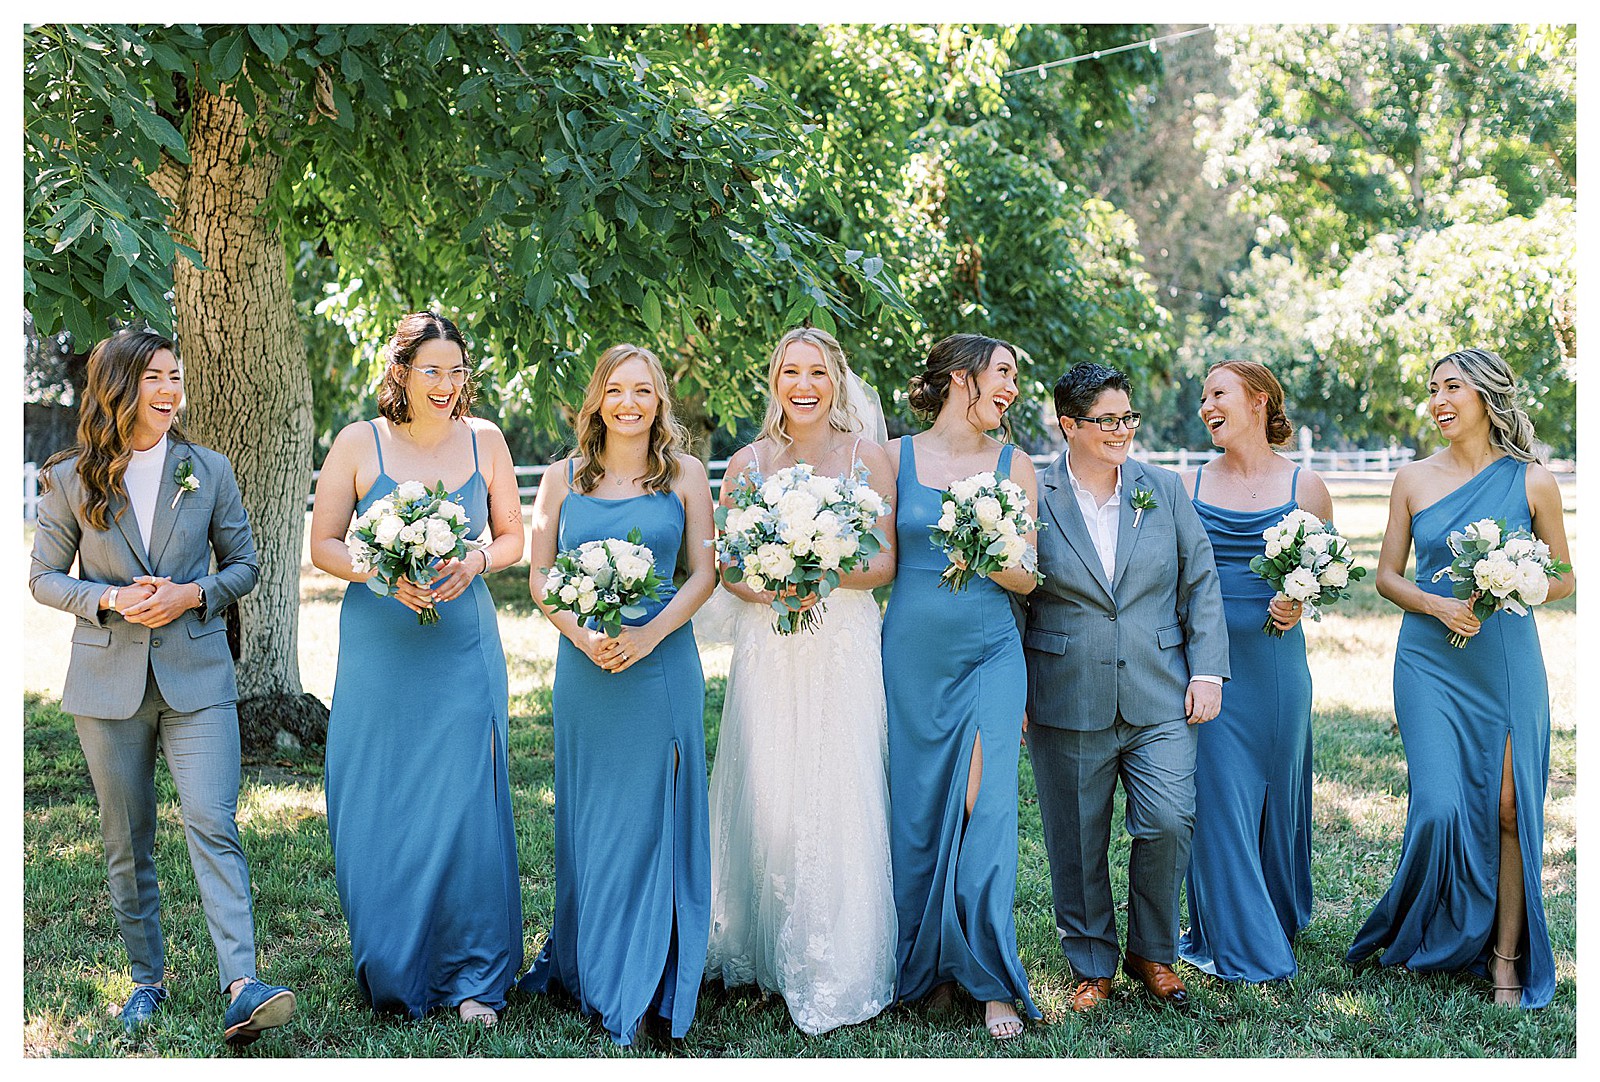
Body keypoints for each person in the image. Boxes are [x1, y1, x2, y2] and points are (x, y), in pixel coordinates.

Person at [28, 329, 296, 1045]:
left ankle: (242, 984)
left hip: (198, 675)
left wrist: (192, 595)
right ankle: (147, 980)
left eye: (176, 377)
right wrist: (109, 600)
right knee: (126, 837)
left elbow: (244, 563)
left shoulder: (207, 468)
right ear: (120, 385)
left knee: (214, 820)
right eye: (156, 377)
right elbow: (43, 578)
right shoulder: (68, 478)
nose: (172, 390)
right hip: (106, 683)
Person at [310, 312, 524, 1026]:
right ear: (400, 373)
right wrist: (378, 571)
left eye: (457, 371)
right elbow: (326, 545)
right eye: (431, 370)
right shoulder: (357, 443)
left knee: (466, 807)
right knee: (382, 796)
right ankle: (398, 963)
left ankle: (473, 978)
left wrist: (477, 559)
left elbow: (512, 536)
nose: (446, 385)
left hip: (462, 645)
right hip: (381, 648)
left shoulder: (486, 441)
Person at [1347, 348, 1573, 1009]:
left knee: (1508, 811)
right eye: (1432, 389)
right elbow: (1387, 576)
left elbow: (1565, 578)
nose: (1438, 399)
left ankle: (1504, 958)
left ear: (1486, 394)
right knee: (1440, 808)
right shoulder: (1413, 478)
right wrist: (1437, 602)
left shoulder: (1533, 481)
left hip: (1504, 661)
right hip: (1428, 659)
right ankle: (1422, 934)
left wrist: (1518, 579)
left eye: (1452, 386)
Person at [521, 343, 718, 1046]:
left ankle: (649, 978)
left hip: (662, 663)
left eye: (643, 390)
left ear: (659, 400)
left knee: (652, 816)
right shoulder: (561, 479)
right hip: (586, 668)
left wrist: (649, 635)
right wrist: (580, 636)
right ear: (597, 400)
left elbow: (703, 573)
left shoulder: (687, 476)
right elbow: (540, 574)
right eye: (616, 390)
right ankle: (592, 962)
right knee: (596, 818)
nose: (629, 403)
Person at [704, 327, 898, 1035]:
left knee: (839, 782)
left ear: (837, 379)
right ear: (775, 381)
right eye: (791, 371)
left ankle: (837, 959)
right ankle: (765, 952)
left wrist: (817, 574)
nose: (804, 384)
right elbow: (728, 567)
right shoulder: (748, 464)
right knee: (772, 784)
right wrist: (774, 587)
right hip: (769, 641)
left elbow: (881, 566)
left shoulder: (866, 458)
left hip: (842, 639)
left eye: (818, 371)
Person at [1023, 362, 1229, 1014]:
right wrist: (1014, 688)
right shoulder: (1031, 491)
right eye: (1106, 420)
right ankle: (1092, 963)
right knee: (1077, 837)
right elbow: (1013, 595)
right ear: (1068, 425)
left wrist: (1206, 670)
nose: (1122, 430)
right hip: (1064, 689)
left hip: (1160, 689)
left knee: (1169, 819)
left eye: (1128, 417)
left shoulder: (1162, 489)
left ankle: (1151, 952)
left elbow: (1200, 580)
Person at [882, 333, 1041, 1041]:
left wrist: (989, 548)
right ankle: (928, 968)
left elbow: (1030, 577)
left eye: (1014, 378)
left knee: (987, 806)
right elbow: (873, 561)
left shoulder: (1017, 464)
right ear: (959, 377)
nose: (1012, 387)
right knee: (915, 811)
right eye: (1002, 373)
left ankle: (991, 978)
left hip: (991, 651)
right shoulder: (892, 457)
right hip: (910, 653)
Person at [1177, 361, 1333, 982]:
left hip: (1276, 668)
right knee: (1218, 799)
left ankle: (1273, 910)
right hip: (1213, 668)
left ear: (1259, 401)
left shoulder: (1307, 487)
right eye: (1204, 397)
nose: (1206, 406)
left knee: (1275, 793)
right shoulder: (1189, 487)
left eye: (1219, 394)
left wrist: (1300, 601)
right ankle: (1239, 937)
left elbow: (1325, 573)